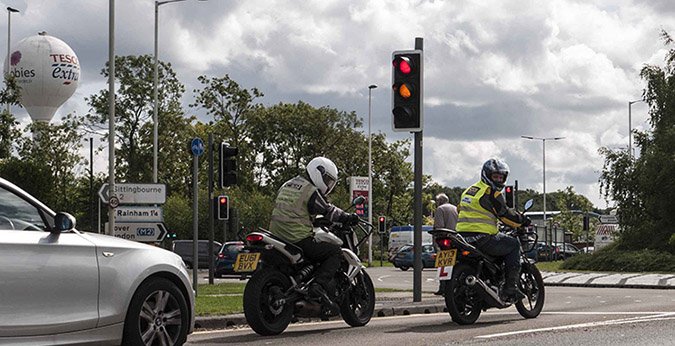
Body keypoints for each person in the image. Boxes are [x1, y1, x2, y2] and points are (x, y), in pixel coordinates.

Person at [268, 156, 360, 308]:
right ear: (319, 172)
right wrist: (347, 217)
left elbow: (293, 209)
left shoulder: (288, 184)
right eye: (327, 180)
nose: (328, 185)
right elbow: (328, 210)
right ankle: (317, 285)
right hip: (296, 237)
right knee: (334, 252)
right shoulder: (309, 190)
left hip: (277, 235)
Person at [455, 158, 531, 302]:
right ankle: (510, 288)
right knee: (513, 244)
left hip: (462, 237)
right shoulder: (492, 193)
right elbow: (505, 215)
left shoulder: (469, 191)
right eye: (495, 176)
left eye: (501, 177)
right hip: (483, 237)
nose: (498, 180)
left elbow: (460, 209)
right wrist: (522, 222)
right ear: (486, 175)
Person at [432, 193, 458, 296]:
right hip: (457, 239)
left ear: (439, 201)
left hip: (445, 240)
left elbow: (439, 226)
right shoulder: (455, 208)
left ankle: (443, 288)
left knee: (443, 265)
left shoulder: (440, 209)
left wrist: (437, 242)